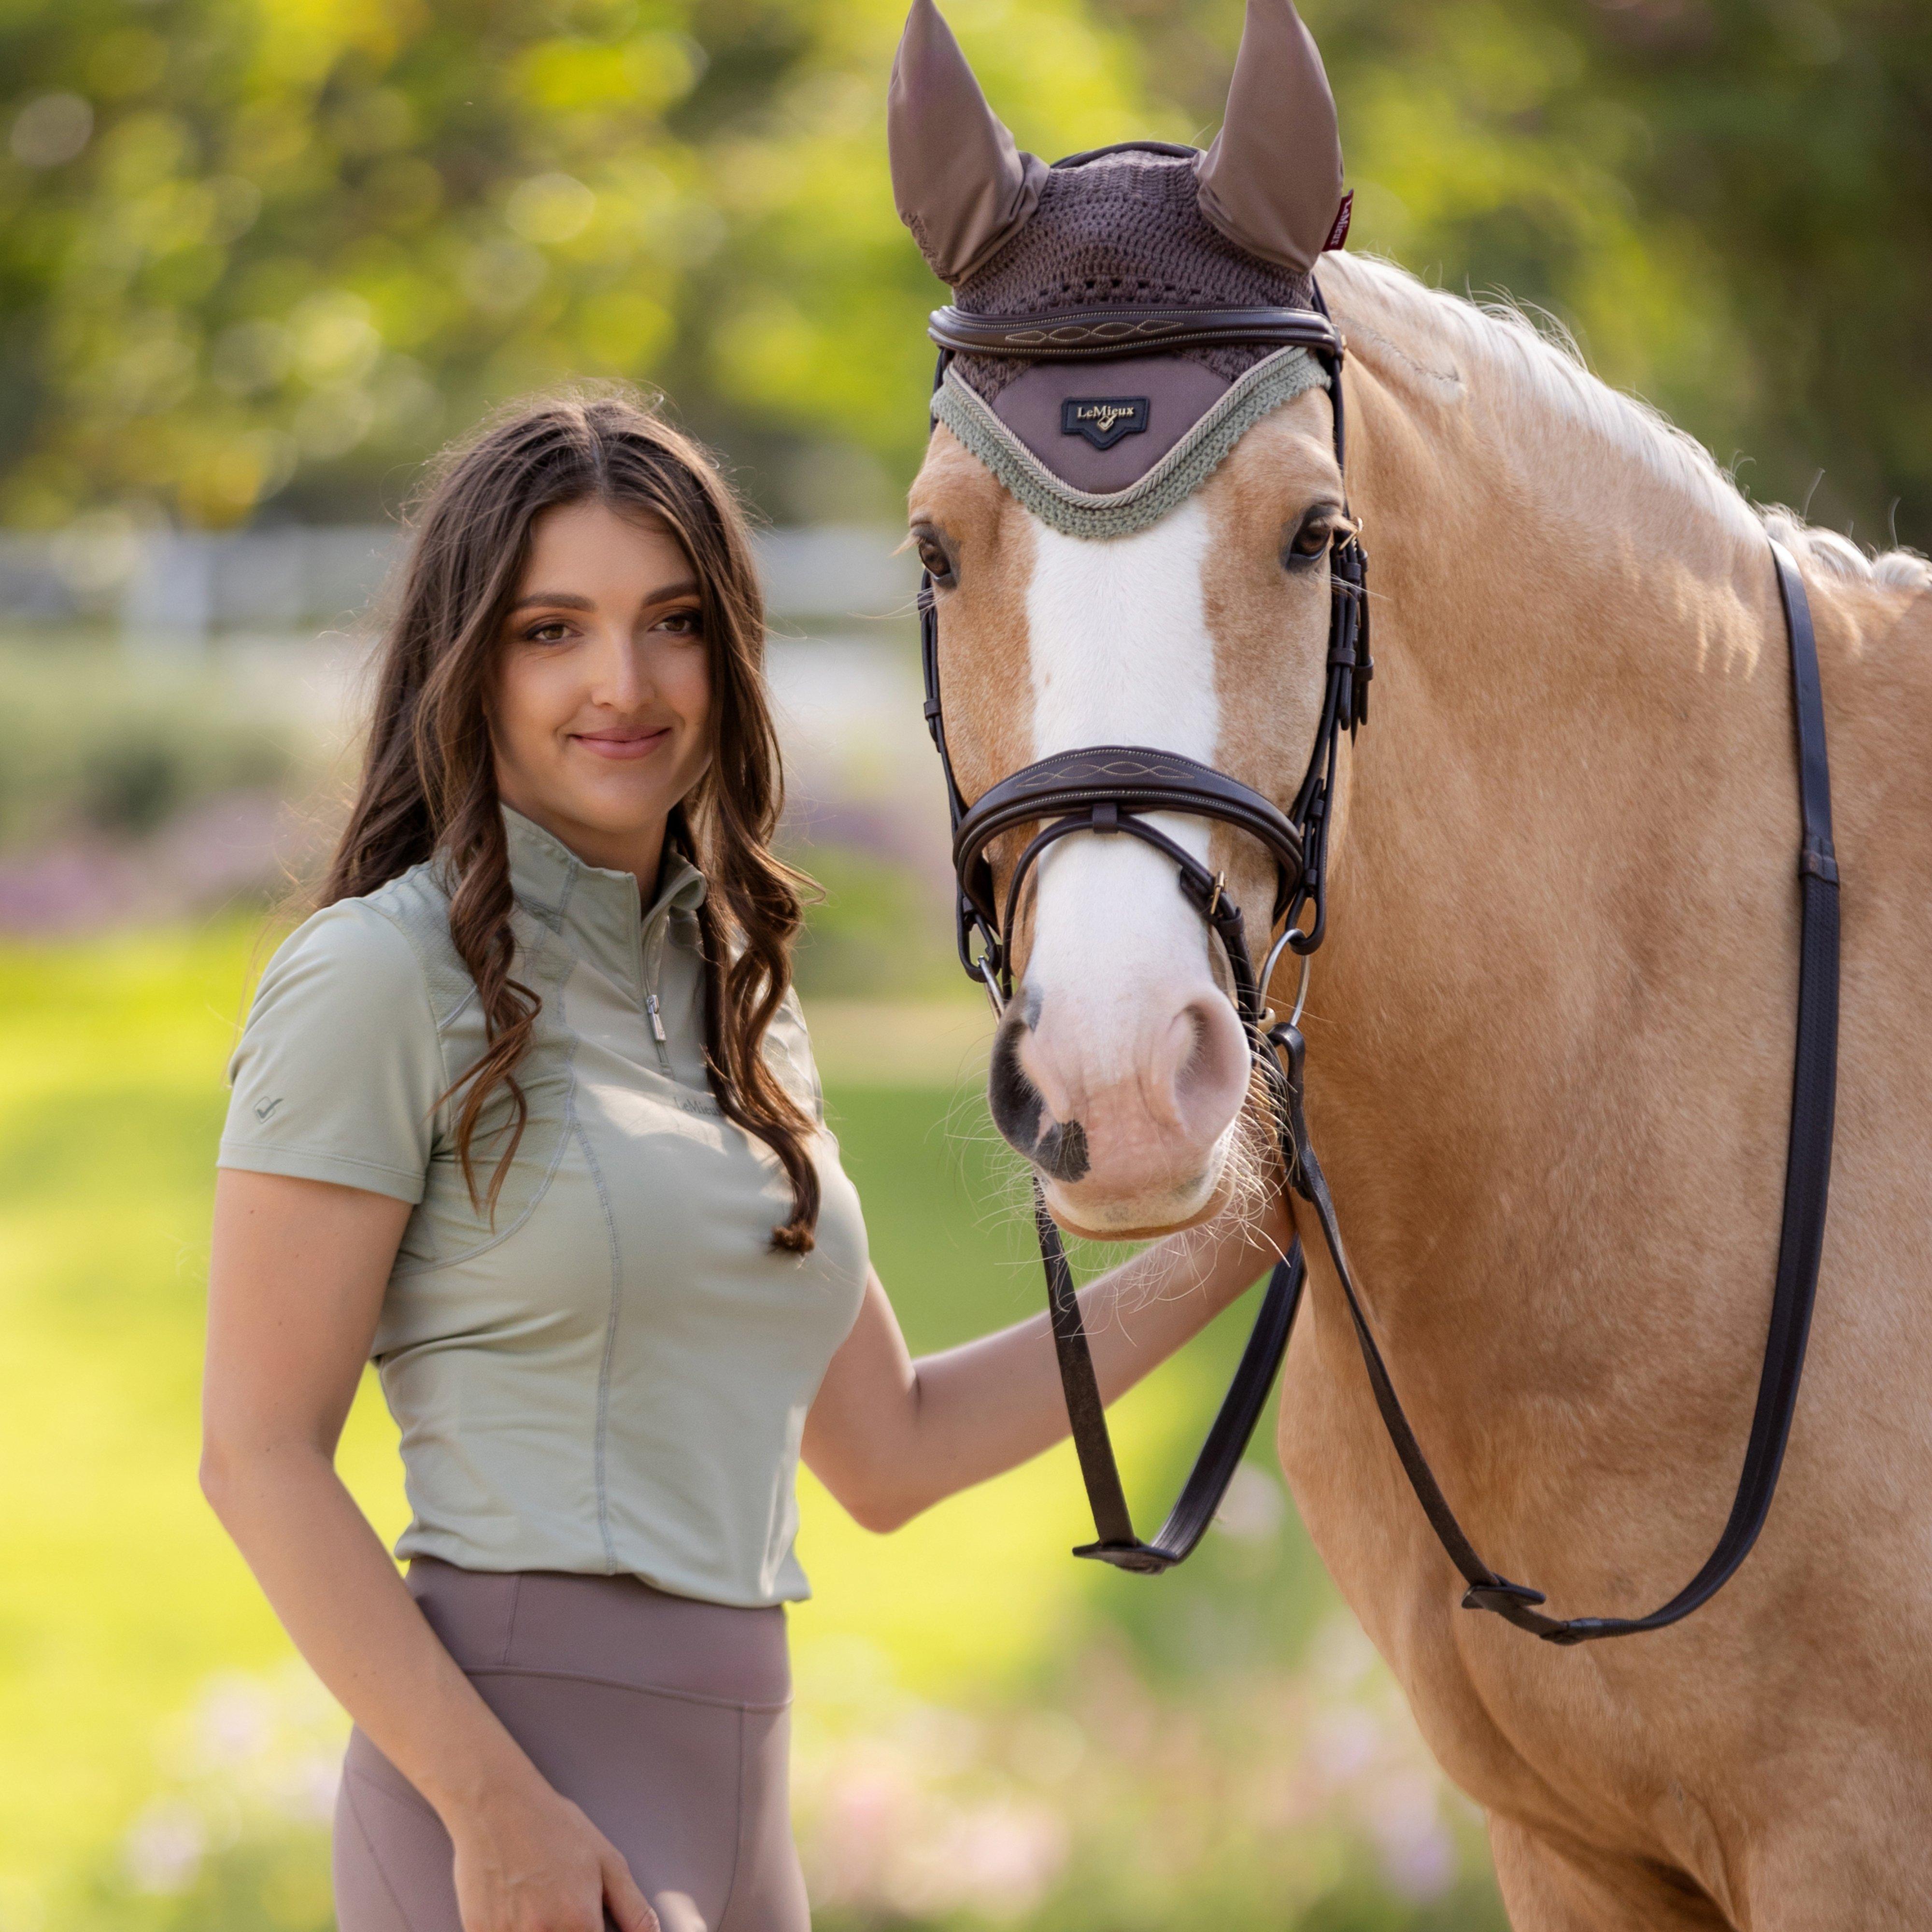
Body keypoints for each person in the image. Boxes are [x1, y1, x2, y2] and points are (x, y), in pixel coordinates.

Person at [199, 389, 1293, 1932]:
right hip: (514, 1806)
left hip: (742, 1808)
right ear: (469, 662)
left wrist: (1255, 1218)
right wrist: (493, 1811)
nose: (623, 683)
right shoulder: (379, 979)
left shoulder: (733, 998)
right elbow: (255, 1454)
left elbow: (895, 1449)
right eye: (550, 632)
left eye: (673, 622)